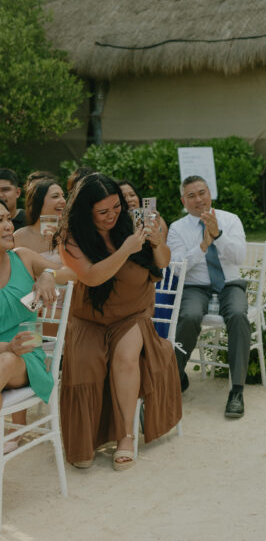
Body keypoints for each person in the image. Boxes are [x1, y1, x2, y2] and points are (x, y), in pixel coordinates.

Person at [57, 173, 182, 470]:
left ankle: (125, 436)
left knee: (126, 358)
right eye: (103, 211)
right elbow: (91, 276)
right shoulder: (70, 238)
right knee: (85, 364)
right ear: (85, 211)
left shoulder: (133, 222)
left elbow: (163, 262)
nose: (112, 215)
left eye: (116, 207)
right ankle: (86, 440)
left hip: (133, 313)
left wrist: (156, 242)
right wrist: (127, 248)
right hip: (88, 319)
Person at [167, 176, 249, 419]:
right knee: (189, 315)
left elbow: (239, 258)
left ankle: (236, 390)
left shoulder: (230, 220)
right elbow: (177, 269)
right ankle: (175, 376)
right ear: (184, 201)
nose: (198, 199)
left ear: (210, 193)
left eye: (201, 193)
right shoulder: (177, 228)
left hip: (229, 284)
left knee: (237, 315)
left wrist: (218, 235)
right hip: (196, 286)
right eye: (191, 196)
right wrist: (202, 246)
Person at [0, 200, 65, 452]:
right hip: (4, 350)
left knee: (5, 361)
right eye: (0, 221)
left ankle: (15, 429)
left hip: (28, 353)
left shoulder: (23, 258)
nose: (8, 226)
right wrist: (7, 346)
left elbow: (70, 271)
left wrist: (49, 274)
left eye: (8, 218)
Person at [13, 177, 67, 261]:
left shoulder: (69, 234)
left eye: (63, 196)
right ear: (38, 202)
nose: (63, 201)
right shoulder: (19, 237)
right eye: (55, 196)